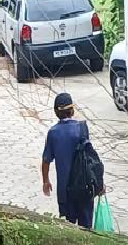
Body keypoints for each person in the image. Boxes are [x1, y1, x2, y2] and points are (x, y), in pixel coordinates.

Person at [41, 92, 104, 228]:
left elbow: (46, 160)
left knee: (68, 229)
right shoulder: (82, 128)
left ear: (56, 112)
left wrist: (46, 181)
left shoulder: (53, 133)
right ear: (72, 110)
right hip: (85, 187)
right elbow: (91, 158)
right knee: (86, 229)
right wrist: (99, 183)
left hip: (65, 191)